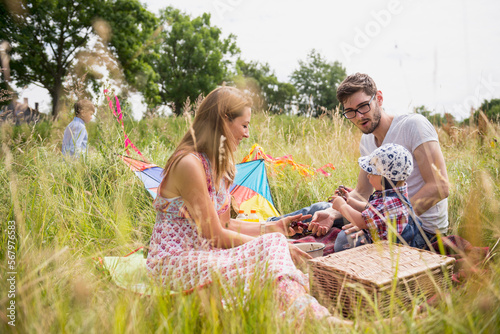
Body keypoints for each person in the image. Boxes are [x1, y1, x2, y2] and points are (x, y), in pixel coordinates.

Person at [146, 86, 343, 322]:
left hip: (205, 255)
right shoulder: (189, 164)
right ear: (223, 121)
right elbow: (215, 235)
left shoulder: (219, 166)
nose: (247, 134)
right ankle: (317, 321)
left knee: (275, 242)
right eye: (244, 125)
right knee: (273, 247)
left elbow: (226, 224)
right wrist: (271, 244)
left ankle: (310, 318)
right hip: (174, 263)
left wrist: (275, 227)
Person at [309, 73, 450, 245]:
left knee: (345, 240)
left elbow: (440, 186)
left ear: (379, 99)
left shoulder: (413, 126)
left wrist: (376, 222)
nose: (359, 116)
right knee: (319, 209)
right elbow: (362, 192)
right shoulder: (367, 140)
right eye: (351, 112)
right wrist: (335, 211)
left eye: (363, 106)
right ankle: (269, 227)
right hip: (381, 216)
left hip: (418, 228)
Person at [331, 143, 427, 252]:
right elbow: (371, 209)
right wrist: (349, 201)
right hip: (384, 236)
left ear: (385, 178)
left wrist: (342, 206)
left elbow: (361, 222)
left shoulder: (389, 202)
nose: (368, 176)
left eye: (372, 173)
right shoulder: (394, 192)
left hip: (393, 250)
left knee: (343, 242)